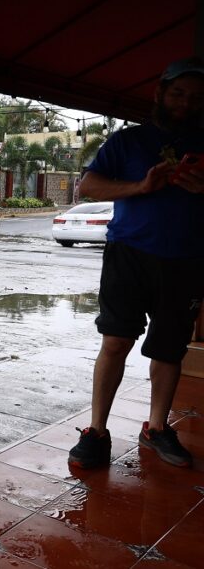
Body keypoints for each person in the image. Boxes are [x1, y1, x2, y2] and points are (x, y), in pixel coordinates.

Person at [68, 57, 204, 470]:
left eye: (196, 98)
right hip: (129, 254)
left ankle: (157, 427)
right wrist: (141, 186)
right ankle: (97, 431)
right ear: (161, 93)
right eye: (178, 93)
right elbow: (88, 185)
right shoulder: (128, 142)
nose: (185, 103)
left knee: (169, 349)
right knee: (115, 340)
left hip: (187, 260)